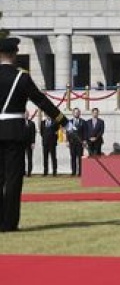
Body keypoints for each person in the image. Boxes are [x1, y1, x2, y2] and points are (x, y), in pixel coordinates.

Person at [0, 37, 68, 232]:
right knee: (13, 179)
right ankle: (9, 223)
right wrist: (64, 122)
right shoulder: (21, 77)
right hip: (14, 131)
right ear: (14, 55)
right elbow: (42, 102)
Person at [66, 107, 87, 176]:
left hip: (80, 143)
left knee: (80, 158)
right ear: (72, 113)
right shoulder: (70, 122)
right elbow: (68, 132)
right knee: (73, 157)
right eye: (75, 112)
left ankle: (80, 172)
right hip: (72, 143)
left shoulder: (83, 122)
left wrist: (84, 141)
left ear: (79, 113)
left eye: (78, 112)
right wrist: (67, 141)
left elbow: (85, 132)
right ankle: (73, 172)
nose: (76, 113)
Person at [23, 110, 36, 177]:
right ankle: (23, 172)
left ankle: (29, 172)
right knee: (21, 159)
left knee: (29, 158)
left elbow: (33, 134)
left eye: (27, 114)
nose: (26, 115)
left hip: (29, 144)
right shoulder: (20, 123)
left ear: (28, 115)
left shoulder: (32, 123)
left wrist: (33, 142)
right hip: (21, 144)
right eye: (25, 114)